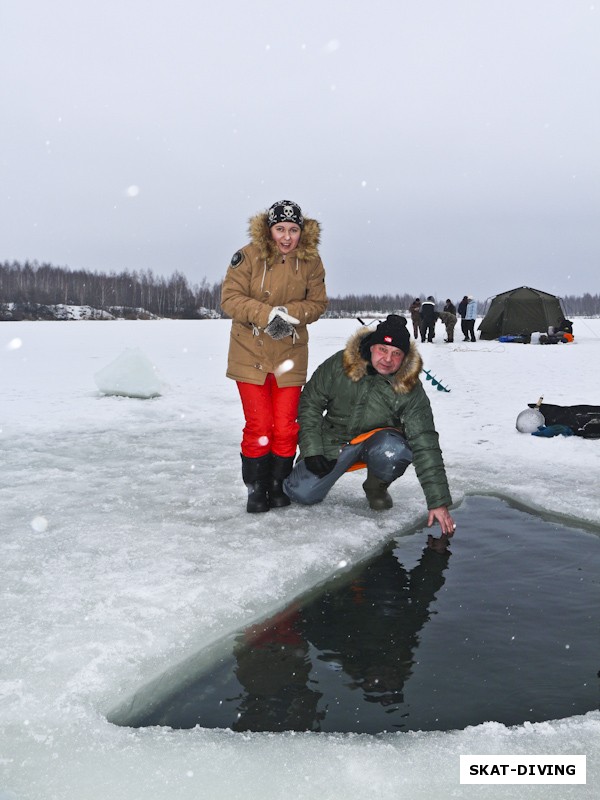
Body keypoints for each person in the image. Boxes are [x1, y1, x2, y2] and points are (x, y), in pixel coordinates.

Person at [283, 314, 456, 535]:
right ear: (371, 347)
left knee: (394, 450)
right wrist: (312, 450)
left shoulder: (409, 386)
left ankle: (376, 487)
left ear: (404, 358)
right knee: (301, 493)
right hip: (335, 441)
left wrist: (437, 501)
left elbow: (425, 441)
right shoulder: (340, 363)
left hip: (379, 442)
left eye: (396, 354)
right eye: (382, 349)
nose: (388, 359)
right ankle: (317, 470)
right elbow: (310, 404)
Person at [221, 200, 328, 513]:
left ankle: (277, 486)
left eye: (293, 230)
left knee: (284, 427)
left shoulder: (311, 261)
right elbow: (230, 298)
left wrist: (289, 313)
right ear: (269, 230)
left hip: (290, 354)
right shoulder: (248, 256)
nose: (286, 236)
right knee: (259, 426)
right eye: (280, 229)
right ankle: (256, 490)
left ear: (301, 232)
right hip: (249, 352)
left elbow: (318, 303)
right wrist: (266, 314)